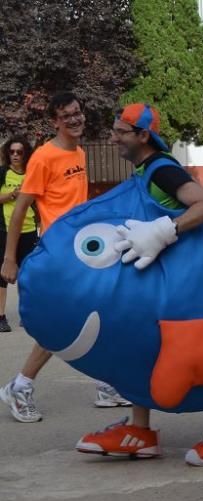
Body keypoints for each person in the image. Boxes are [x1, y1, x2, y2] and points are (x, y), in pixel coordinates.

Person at [74, 102, 203, 466]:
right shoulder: (144, 170)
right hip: (164, 281)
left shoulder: (161, 170)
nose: (113, 138)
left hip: (191, 286)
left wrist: (165, 229)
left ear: (143, 135)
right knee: (143, 343)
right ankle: (140, 429)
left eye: (120, 132)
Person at [0, 92, 130, 423]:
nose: (75, 119)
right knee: (64, 322)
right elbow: (20, 211)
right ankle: (21, 385)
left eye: (77, 113)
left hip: (81, 250)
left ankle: (104, 384)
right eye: (66, 115)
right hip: (59, 253)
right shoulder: (43, 157)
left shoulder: (80, 152)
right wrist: (9, 258)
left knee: (101, 311)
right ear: (55, 121)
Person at [0, 136, 38, 332]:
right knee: (1, 275)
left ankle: (26, 314)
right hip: (4, 229)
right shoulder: (2, 173)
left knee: (26, 273)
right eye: (12, 152)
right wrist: (12, 194)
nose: (15, 155)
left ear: (25, 154)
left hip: (29, 229)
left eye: (19, 152)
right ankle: (1, 317)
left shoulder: (32, 173)